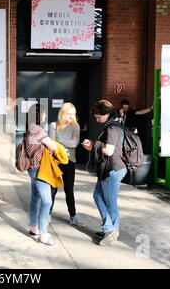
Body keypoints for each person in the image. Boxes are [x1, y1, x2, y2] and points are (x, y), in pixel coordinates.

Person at [81, 100, 127, 246]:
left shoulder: (112, 128)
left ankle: (111, 230)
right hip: (109, 169)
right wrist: (94, 146)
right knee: (98, 196)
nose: (97, 119)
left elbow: (109, 150)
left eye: (98, 116)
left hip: (113, 169)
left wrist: (93, 145)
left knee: (109, 200)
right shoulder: (113, 125)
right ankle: (111, 229)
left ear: (107, 114)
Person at [25, 103, 58, 247]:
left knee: (35, 198)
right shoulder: (38, 130)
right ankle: (43, 235)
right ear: (38, 115)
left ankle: (34, 228)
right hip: (40, 169)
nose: (45, 115)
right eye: (44, 113)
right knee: (47, 201)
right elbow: (53, 146)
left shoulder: (30, 128)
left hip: (32, 168)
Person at [48, 103, 80, 225]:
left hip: (69, 161)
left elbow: (74, 144)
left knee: (69, 189)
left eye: (73, 114)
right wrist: (63, 142)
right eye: (68, 114)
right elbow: (51, 145)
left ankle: (73, 215)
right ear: (62, 114)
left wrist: (59, 140)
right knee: (52, 189)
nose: (71, 117)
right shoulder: (53, 126)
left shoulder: (76, 126)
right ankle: (47, 213)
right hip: (55, 161)